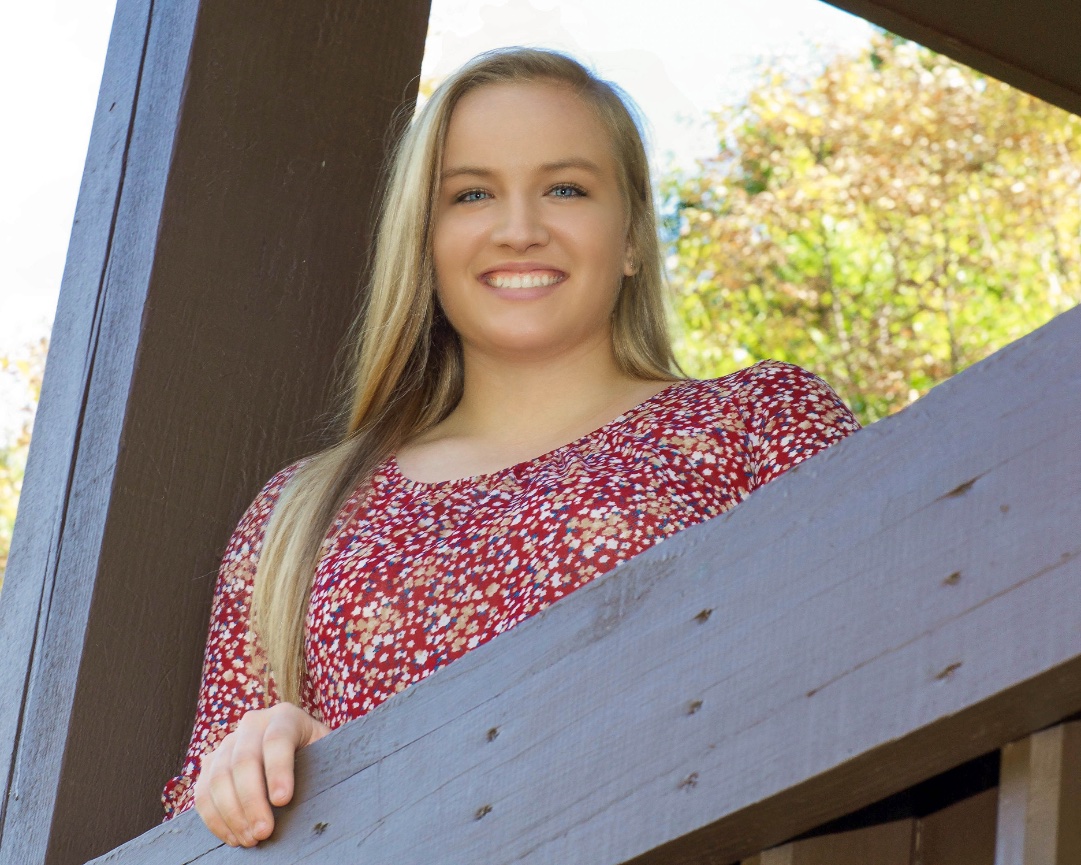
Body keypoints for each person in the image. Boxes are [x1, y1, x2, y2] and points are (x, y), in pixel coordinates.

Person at [162, 47, 860, 847]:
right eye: (471, 194)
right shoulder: (298, 516)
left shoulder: (757, 421)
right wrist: (277, 769)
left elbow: (865, 653)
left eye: (565, 189)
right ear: (423, 242)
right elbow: (198, 831)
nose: (519, 230)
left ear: (632, 235)